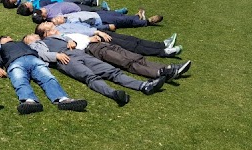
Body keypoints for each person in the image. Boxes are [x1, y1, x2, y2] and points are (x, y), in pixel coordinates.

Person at [24, 33, 166, 107]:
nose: (33, 34)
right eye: (30, 35)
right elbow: (42, 54)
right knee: (90, 77)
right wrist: (56, 55)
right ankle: (114, 94)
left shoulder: (51, 36)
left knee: (111, 71)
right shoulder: (35, 44)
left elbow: (65, 37)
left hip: (78, 53)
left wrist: (69, 40)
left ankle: (143, 86)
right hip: (65, 59)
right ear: (28, 40)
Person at [35, 22, 191, 82]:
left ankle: (170, 69)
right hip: (93, 50)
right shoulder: (54, 40)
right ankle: (159, 72)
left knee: (134, 56)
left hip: (99, 44)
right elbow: (73, 47)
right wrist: (87, 40)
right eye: (47, 25)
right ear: (46, 33)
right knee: (126, 62)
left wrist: (93, 35)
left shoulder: (62, 34)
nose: (50, 23)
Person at [0, 35, 88, 115]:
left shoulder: (22, 43)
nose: (8, 37)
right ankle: (29, 101)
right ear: (0, 42)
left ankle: (63, 99)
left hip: (33, 59)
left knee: (47, 77)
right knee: (19, 80)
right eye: (5, 37)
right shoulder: (1, 48)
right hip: (15, 62)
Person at [50, 15, 183, 58]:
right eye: (46, 24)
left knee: (132, 39)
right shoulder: (60, 31)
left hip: (99, 33)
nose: (50, 21)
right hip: (98, 38)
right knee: (131, 46)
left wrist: (100, 30)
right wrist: (98, 33)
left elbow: (84, 27)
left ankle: (162, 44)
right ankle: (163, 52)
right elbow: (81, 34)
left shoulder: (66, 24)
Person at [32, 4, 162, 27]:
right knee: (123, 20)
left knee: (116, 15)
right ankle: (147, 22)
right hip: (98, 19)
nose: (55, 18)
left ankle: (137, 16)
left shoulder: (65, 18)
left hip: (95, 13)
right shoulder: (66, 23)